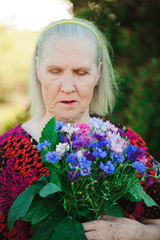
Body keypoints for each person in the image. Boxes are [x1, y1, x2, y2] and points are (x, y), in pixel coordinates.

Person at [0, 18, 160, 240]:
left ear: (97, 73)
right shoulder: (6, 151)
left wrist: (139, 232)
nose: (67, 87)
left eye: (81, 72)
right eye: (55, 71)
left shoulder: (126, 146)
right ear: (38, 70)